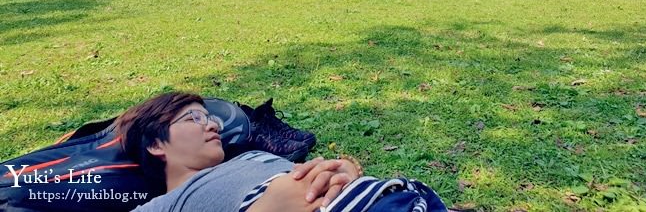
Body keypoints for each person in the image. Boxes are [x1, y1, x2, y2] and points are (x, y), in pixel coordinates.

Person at [116, 92, 447, 212]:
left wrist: (346, 168)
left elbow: (323, 173)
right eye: (194, 118)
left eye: (211, 117)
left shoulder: (248, 156)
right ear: (156, 143)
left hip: (403, 198)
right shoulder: (165, 204)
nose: (212, 125)